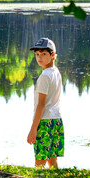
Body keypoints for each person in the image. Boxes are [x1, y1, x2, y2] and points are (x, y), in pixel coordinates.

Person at [27, 37, 64, 169]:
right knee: (52, 161)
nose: (39, 58)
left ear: (52, 55)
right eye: (37, 54)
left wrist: (33, 129)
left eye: (43, 54)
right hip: (56, 120)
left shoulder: (44, 76)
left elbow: (41, 105)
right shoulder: (56, 72)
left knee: (40, 163)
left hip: (45, 122)